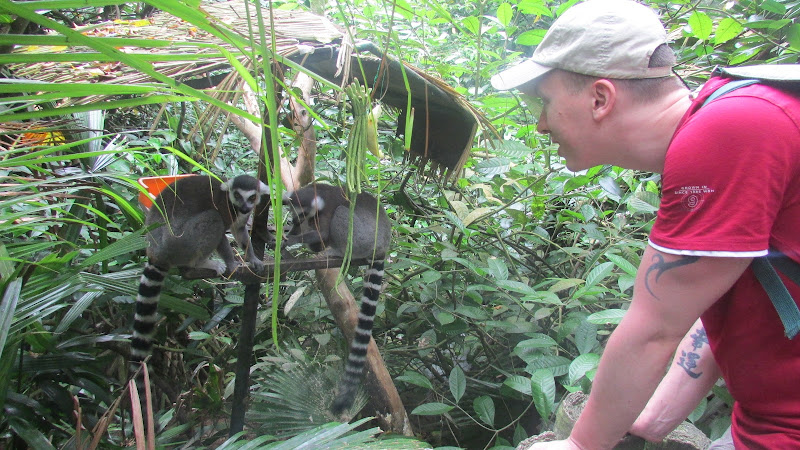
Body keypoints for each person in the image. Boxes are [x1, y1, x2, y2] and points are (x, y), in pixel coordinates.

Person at [491, 0, 800, 448]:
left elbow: (654, 330)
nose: (541, 125)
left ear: (601, 98)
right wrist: (653, 418)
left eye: (546, 102)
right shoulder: (729, 119)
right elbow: (719, 295)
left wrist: (580, 445)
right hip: (766, 420)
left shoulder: (731, 130)